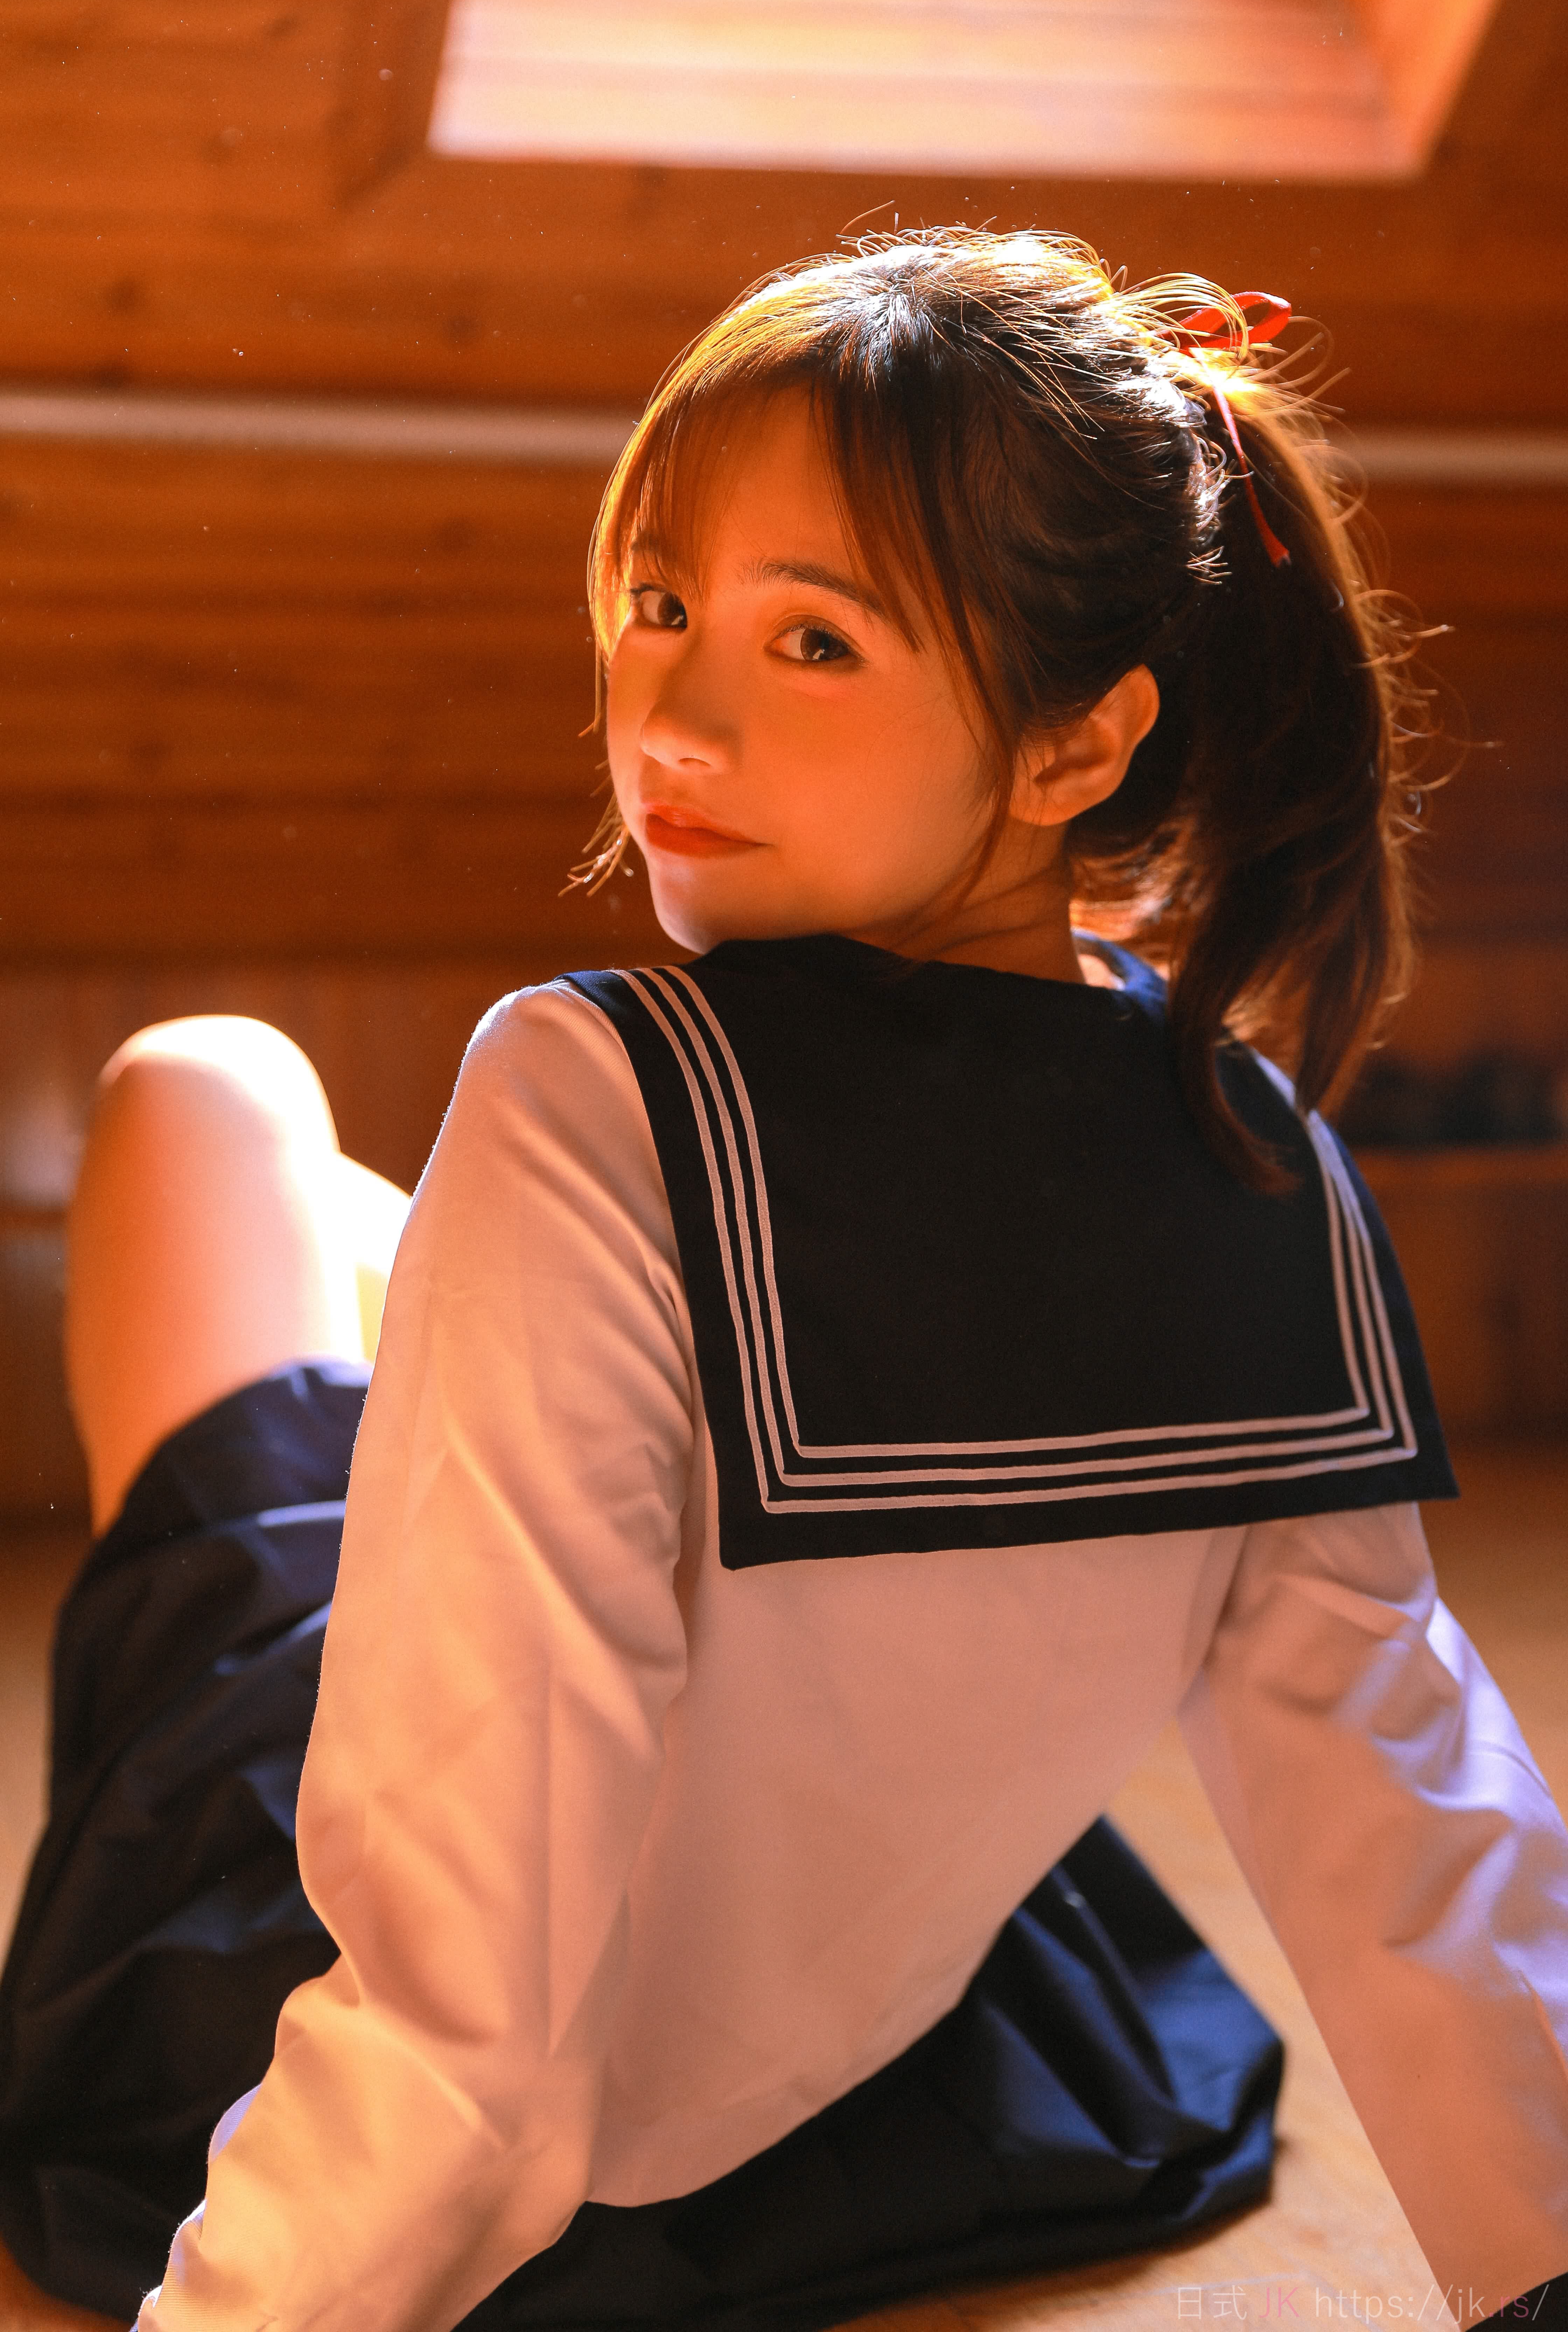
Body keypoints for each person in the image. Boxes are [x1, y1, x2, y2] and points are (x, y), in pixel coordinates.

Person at [2, 228, 1566, 2332]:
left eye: (813, 640)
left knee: (205, 1096)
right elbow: (1422, 1833)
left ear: (1077, 743)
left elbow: (467, 2006)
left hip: (325, 2049)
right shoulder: (1258, 1151)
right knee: (370, 1232)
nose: (672, 708)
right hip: (861, 2066)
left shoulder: (590, 1090)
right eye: (662, 605)